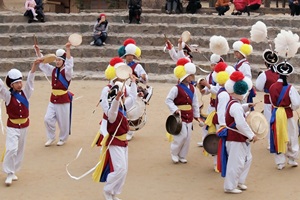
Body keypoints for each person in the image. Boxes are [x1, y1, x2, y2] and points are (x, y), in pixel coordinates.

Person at [92, 74, 138, 200]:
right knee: (120, 168)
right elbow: (112, 113)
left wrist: (133, 83)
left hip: (123, 142)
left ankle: (113, 192)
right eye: (121, 96)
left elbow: (133, 98)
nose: (124, 97)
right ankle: (107, 190)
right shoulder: (111, 112)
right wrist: (116, 99)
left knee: (124, 170)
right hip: (114, 142)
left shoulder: (124, 107)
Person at [217, 71, 258, 194]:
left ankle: (239, 181)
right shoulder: (235, 105)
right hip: (235, 137)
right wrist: (251, 135)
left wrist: (247, 106)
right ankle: (229, 186)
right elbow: (240, 123)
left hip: (238, 137)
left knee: (247, 159)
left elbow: (239, 109)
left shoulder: (235, 103)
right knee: (236, 162)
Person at [1, 59, 40, 186]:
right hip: (12, 126)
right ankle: (9, 172)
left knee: (19, 150)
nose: (19, 84)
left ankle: (13, 171)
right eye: (16, 83)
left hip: (24, 126)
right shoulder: (7, 96)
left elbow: (31, 81)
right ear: (11, 85)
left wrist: (34, 65)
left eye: (20, 82)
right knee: (11, 149)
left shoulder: (26, 93)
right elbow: (1, 86)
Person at [35, 42, 74, 147]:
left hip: (63, 99)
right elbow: (43, 64)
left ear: (63, 61)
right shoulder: (53, 71)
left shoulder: (67, 72)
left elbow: (70, 64)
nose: (57, 62)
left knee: (63, 122)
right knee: (47, 119)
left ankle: (62, 138)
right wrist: (38, 52)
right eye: (56, 60)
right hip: (53, 99)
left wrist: (68, 50)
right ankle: (51, 137)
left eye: (59, 60)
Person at [165, 58, 201, 164]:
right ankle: (174, 153)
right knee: (182, 135)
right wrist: (175, 109)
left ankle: (182, 155)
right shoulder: (176, 88)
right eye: (189, 76)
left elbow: (195, 102)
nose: (191, 78)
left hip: (189, 115)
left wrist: (197, 115)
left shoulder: (193, 88)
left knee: (188, 137)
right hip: (179, 116)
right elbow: (168, 100)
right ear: (185, 76)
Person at [269, 61, 300, 170]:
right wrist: (290, 108)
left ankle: (280, 162)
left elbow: (271, 101)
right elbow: (296, 103)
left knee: (278, 136)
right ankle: (292, 158)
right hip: (287, 114)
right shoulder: (290, 88)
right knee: (291, 136)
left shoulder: (272, 87)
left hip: (276, 114)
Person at [122, 43, 152, 140]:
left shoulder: (137, 66)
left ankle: (130, 131)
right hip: (123, 89)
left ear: (133, 56)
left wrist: (143, 77)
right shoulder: (122, 66)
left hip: (133, 89)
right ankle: (122, 129)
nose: (129, 57)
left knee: (132, 111)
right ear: (125, 56)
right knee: (123, 109)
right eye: (128, 55)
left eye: (131, 55)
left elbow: (144, 79)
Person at [255, 49, 279, 150]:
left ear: (265, 62)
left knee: (269, 121)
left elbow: (258, 87)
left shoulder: (264, 74)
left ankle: (270, 143)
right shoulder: (280, 72)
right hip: (279, 100)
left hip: (269, 100)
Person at [232, 38, 256, 108]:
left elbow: (247, 78)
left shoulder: (245, 65)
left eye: (237, 52)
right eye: (235, 52)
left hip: (242, 90)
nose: (235, 53)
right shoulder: (238, 63)